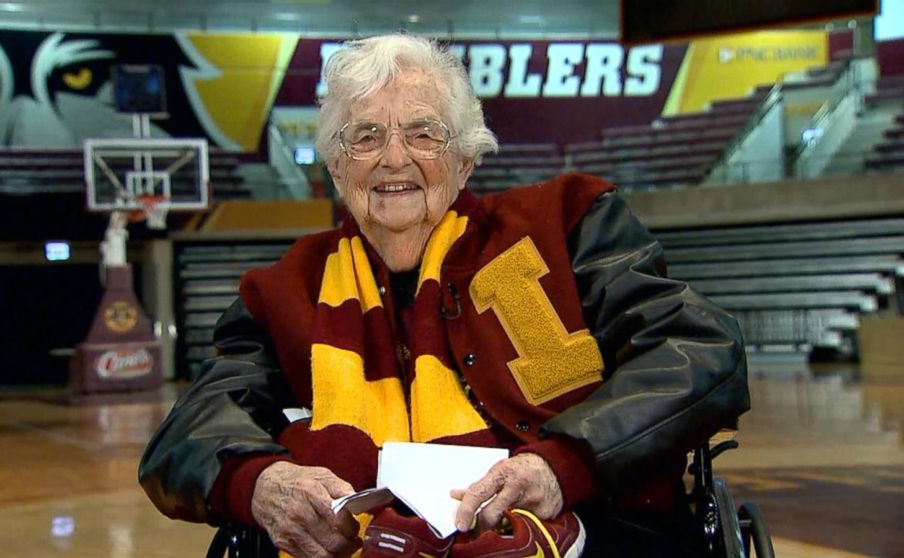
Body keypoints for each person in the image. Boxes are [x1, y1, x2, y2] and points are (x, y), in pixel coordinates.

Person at [140, 33, 749, 558]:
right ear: (335, 165)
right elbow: (184, 438)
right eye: (365, 136)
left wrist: (561, 465)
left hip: (588, 531)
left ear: (464, 158)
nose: (393, 158)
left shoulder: (567, 224)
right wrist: (260, 482)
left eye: (423, 133)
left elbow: (699, 349)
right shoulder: (285, 288)